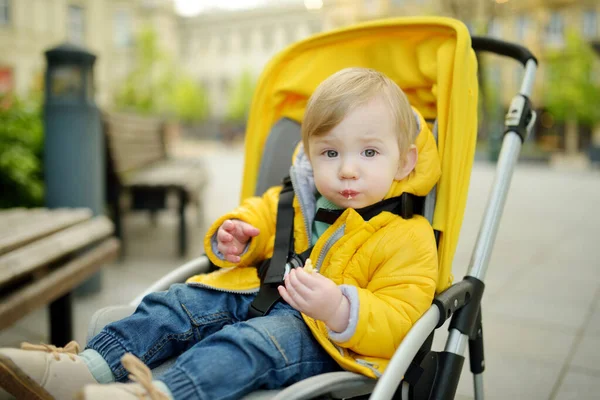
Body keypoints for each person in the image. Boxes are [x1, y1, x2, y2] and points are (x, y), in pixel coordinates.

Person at [0, 67, 441, 400]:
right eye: (329, 152)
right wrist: (235, 237)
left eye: (369, 151)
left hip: (322, 338)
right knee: (179, 303)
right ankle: (90, 366)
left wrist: (340, 309)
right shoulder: (296, 198)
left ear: (404, 162)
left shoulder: (408, 236)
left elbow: (403, 319)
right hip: (258, 292)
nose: (347, 168)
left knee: (248, 344)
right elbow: (259, 215)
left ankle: (162, 392)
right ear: (309, 154)